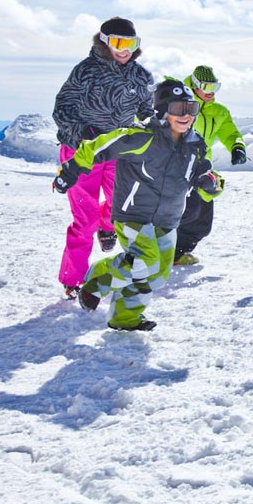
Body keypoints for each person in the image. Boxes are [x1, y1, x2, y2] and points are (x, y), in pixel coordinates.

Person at [52, 80, 219, 331]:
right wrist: (71, 170)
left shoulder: (195, 145)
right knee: (145, 261)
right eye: (177, 108)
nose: (186, 115)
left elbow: (207, 172)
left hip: (168, 219)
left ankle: (125, 317)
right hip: (133, 214)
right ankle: (99, 277)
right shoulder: (140, 137)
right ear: (163, 110)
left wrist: (211, 183)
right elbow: (98, 147)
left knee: (158, 275)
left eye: (191, 108)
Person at [52, 17, 155, 300]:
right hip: (82, 151)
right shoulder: (86, 72)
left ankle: (107, 226)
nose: (124, 50)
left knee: (119, 206)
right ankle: (73, 280)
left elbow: (148, 111)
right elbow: (62, 109)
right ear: (105, 42)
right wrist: (82, 132)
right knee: (84, 220)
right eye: (118, 43)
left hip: (119, 150)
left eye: (131, 44)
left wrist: (153, 125)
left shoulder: (141, 76)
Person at [172, 65, 247, 266]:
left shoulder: (219, 112)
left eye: (215, 87)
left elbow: (230, 133)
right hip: (177, 168)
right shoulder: (179, 103)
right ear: (194, 85)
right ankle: (165, 251)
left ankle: (179, 253)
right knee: (185, 212)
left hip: (203, 169)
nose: (210, 91)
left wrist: (237, 147)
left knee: (202, 222)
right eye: (206, 86)